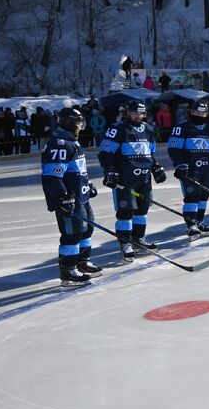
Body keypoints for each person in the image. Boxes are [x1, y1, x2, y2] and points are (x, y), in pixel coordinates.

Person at [98, 100, 165, 258]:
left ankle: (138, 238)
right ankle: (125, 243)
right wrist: (110, 170)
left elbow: (150, 152)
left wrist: (156, 166)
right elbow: (105, 153)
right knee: (125, 212)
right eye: (134, 113)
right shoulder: (117, 129)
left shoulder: (148, 129)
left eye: (140, 113)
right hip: (125, 180)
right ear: (127, 113)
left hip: (144, 178)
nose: (137, 116)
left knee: (142, 211)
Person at [42, 106, 101, 285]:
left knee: (87, 229)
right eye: (78, 124)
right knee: (72, 234)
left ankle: (82, 262)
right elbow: (52, 176)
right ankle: (68, 270)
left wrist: (88, 184)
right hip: (68, 198)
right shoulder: (58, 144)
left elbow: (78, 171)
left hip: (80, 195)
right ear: (68, 123)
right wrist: (62, 197)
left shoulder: (71, 141)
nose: (80, 128)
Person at [168, 99, 209, 238]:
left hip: (206, 168)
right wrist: (180, 164)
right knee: (192, 197)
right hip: (190, 169)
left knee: (204, 196)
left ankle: (200, 222)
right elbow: (174, 148)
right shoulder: (182, 127)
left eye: (202, 113)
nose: (199, 115)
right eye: (196, 112)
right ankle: (191, 225)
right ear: (190, 112)